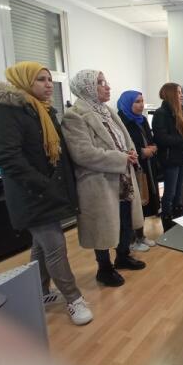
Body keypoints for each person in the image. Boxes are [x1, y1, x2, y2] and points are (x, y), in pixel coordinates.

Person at [0, 62, 92, 325]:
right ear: (23, 81)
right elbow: (5, 156)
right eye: (41, 79)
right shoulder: (5, 110)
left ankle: (37, 291)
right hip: (32, 195)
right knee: (55, 247)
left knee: (42, 246)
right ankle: (74, 299)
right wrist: (44, 184)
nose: (48, 84)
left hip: (47, 192)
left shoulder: (42, 109)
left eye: (49, 79)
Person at [62, 70, 146, 288]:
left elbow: (124, 140)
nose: (107, 86)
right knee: (103, 224)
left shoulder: (107, 111)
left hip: (121, 176)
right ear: (87, 87)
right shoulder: (75, 115)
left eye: (106, 82)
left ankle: (123, 255)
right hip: (98, 180)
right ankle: (104, 268)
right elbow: (82, 153)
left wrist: (132, 152)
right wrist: (121, 158)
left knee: (125, 218)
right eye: (100, 83)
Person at [152, 83, 183, 230]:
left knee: (178, 194)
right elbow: (162, 139)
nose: (181, 95)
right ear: (171, 94)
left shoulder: (177, 112)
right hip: (169, 159)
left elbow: (182, 134)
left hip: (180, 157)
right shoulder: (161, 113)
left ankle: (177, 223)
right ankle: (167, 226)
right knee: (170, 194)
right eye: (178, 92)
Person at [117, 90, 159, 251]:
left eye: (142, 101)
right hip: (130, 167)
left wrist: (153, 147)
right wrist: (141, 151)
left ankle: (141, 235)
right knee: (133, 204)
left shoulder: (142, 120)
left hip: (146, 165)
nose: (141, 105)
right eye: (137, 102)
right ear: (127, 103)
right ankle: (132, 240)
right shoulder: (122, 121)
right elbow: (124, 145)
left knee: (145, 199)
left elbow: (150, 138)